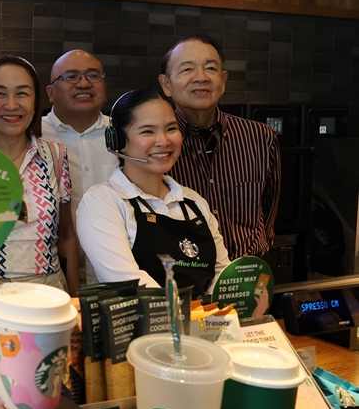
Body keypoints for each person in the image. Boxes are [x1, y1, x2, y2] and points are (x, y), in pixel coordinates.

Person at [76, 89, 230, 295]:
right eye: (148, 131)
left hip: (206, 323)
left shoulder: (193, 200)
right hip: (144, 324)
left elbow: (222, 274)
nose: (164, 141)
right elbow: (129, 283)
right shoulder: (102, 201)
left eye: (171, 129)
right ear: (118, 141)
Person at [158, 35, 281, 259]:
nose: (201, 77)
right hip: (186, 277)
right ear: (166, 84)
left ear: (223, 81)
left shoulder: (260, 136)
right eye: (187, 69)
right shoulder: (156, 146)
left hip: (247, 275)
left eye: (211, 68)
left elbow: (270, 205)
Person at [0, 55, 78, 296]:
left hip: (49, 291)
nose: (11, 105)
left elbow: (66, 236)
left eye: (22, 93)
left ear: (35, 101)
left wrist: (75, 301)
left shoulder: (55, 155)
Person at [41, 50, 118, 283]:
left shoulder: (125, 134)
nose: (83, 83)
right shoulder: (33, 136)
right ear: (50, 93)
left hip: (114, 274)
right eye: (70, 76)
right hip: (52, 275)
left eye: (93, 75)